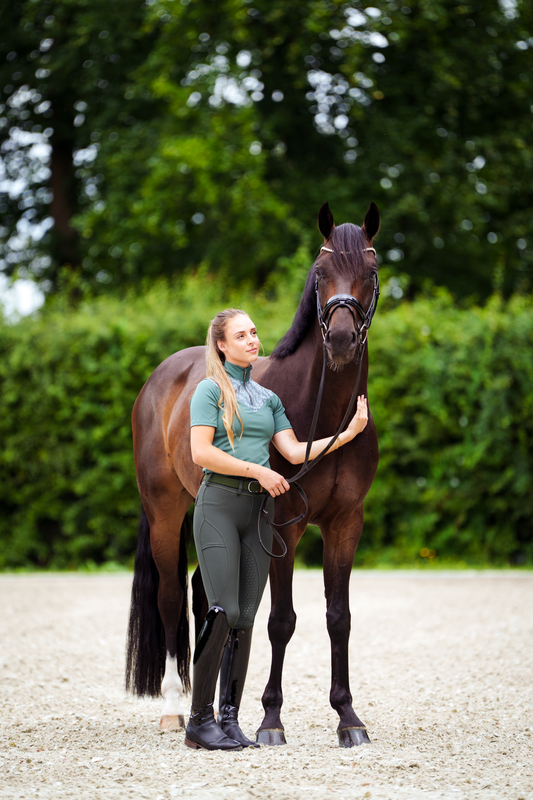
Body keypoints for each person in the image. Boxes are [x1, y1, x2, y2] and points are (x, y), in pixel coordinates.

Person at [184, 308, 368, 751]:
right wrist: (258, 470)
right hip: (220, 505)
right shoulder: (209, 391)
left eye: (253, 332)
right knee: (222, 609)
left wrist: (349, 432)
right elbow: (200, 453)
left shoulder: (267, 399)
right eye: (240, 335)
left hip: (258, 513)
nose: (252, 340)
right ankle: (198, 719)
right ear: (221, 346)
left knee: (246, 617)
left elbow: (293, 449)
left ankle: (229, 719)